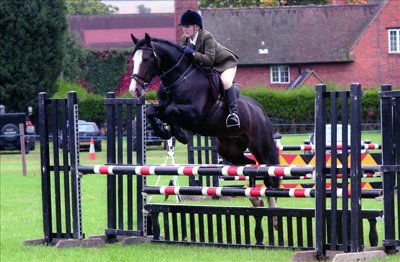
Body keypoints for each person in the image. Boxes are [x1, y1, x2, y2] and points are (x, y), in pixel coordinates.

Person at [179, 10, 240, 128]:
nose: (184, 29)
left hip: (225, 63)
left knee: (225, 82)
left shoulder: (207, 37)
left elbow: (209, 60)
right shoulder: (184, 40)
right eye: (183, 26)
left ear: (196, 27)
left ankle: (234, 114)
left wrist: (192, 53)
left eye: (187, 26)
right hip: (209, 67)